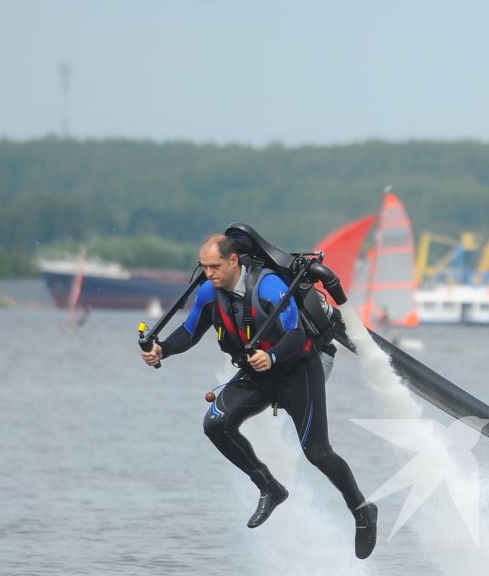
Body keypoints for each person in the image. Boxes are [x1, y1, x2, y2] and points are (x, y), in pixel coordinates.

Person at [142, 234, 379, 558]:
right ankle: (269, 486)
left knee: (317, 452)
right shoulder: (209, 293)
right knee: (215, 424)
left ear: (233, 261)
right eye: (204, 266)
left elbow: (295, 335)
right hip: (256, 374)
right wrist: (162, 350)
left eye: (215, 266)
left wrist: (274, 357)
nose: (208, 273)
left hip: (297, 370)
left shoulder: (267, 287)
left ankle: (362, 510)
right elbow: (189, 332)